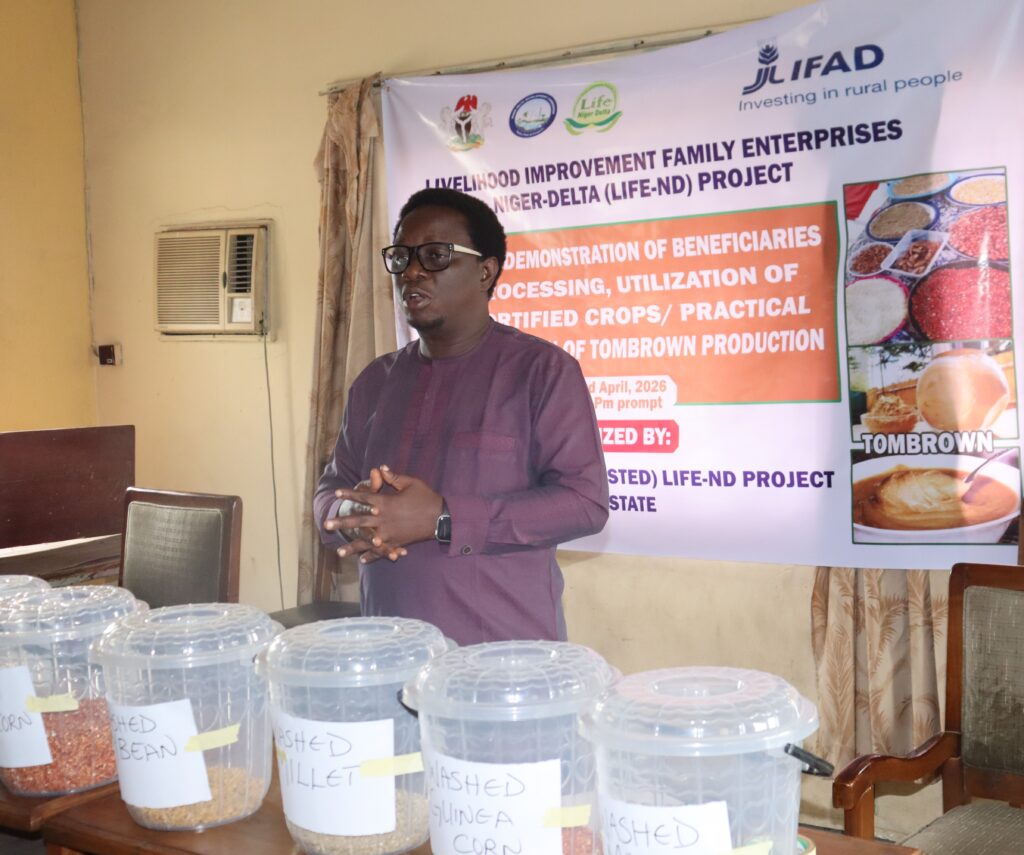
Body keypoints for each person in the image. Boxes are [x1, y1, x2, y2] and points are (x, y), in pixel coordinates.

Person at [314, 188, 608, 645]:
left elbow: (584, 504)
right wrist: (354, 513)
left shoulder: (543, 371)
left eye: (435, 256)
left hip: (504, 660)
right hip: (391, 652)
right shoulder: (375, 382)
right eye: (402, 257)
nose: (412, 271)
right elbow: (329, 492)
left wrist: (443, 519)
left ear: (485, 272)